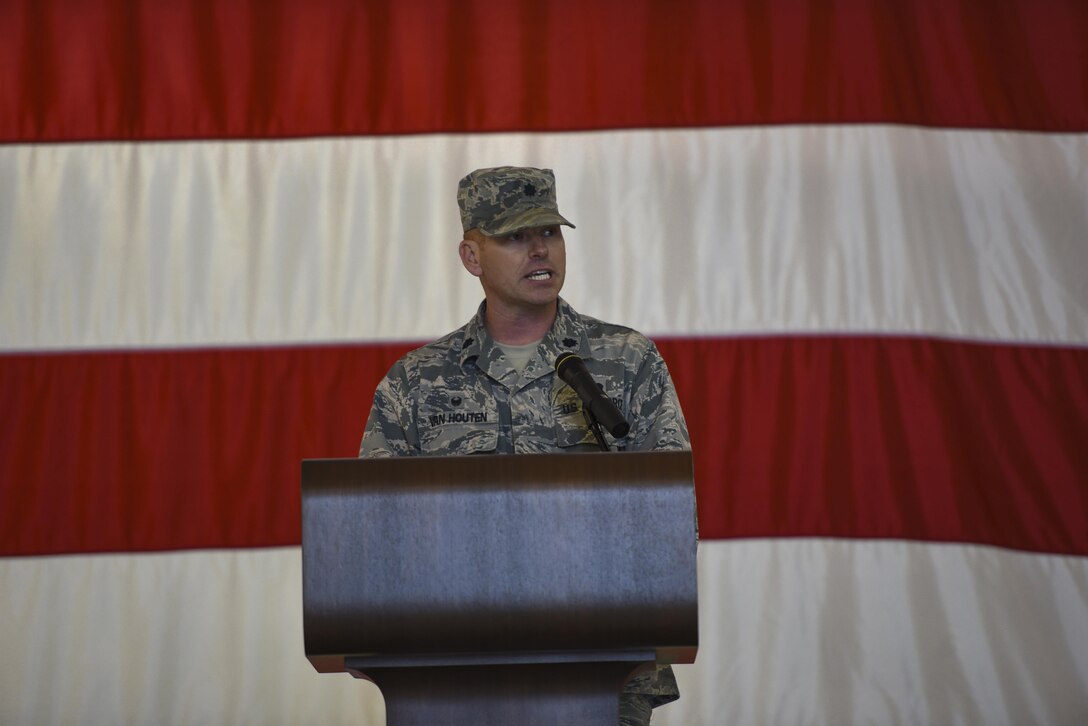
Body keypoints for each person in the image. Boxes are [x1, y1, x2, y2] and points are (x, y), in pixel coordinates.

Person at [359, 166, 691, 725]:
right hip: (451, 672)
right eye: (515, 236)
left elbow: (673, 518)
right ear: (472, 257)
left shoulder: (626, 361)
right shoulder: (415, 381)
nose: (540, 250)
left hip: (601, 664)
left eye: (550, 232)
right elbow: (375, 534)